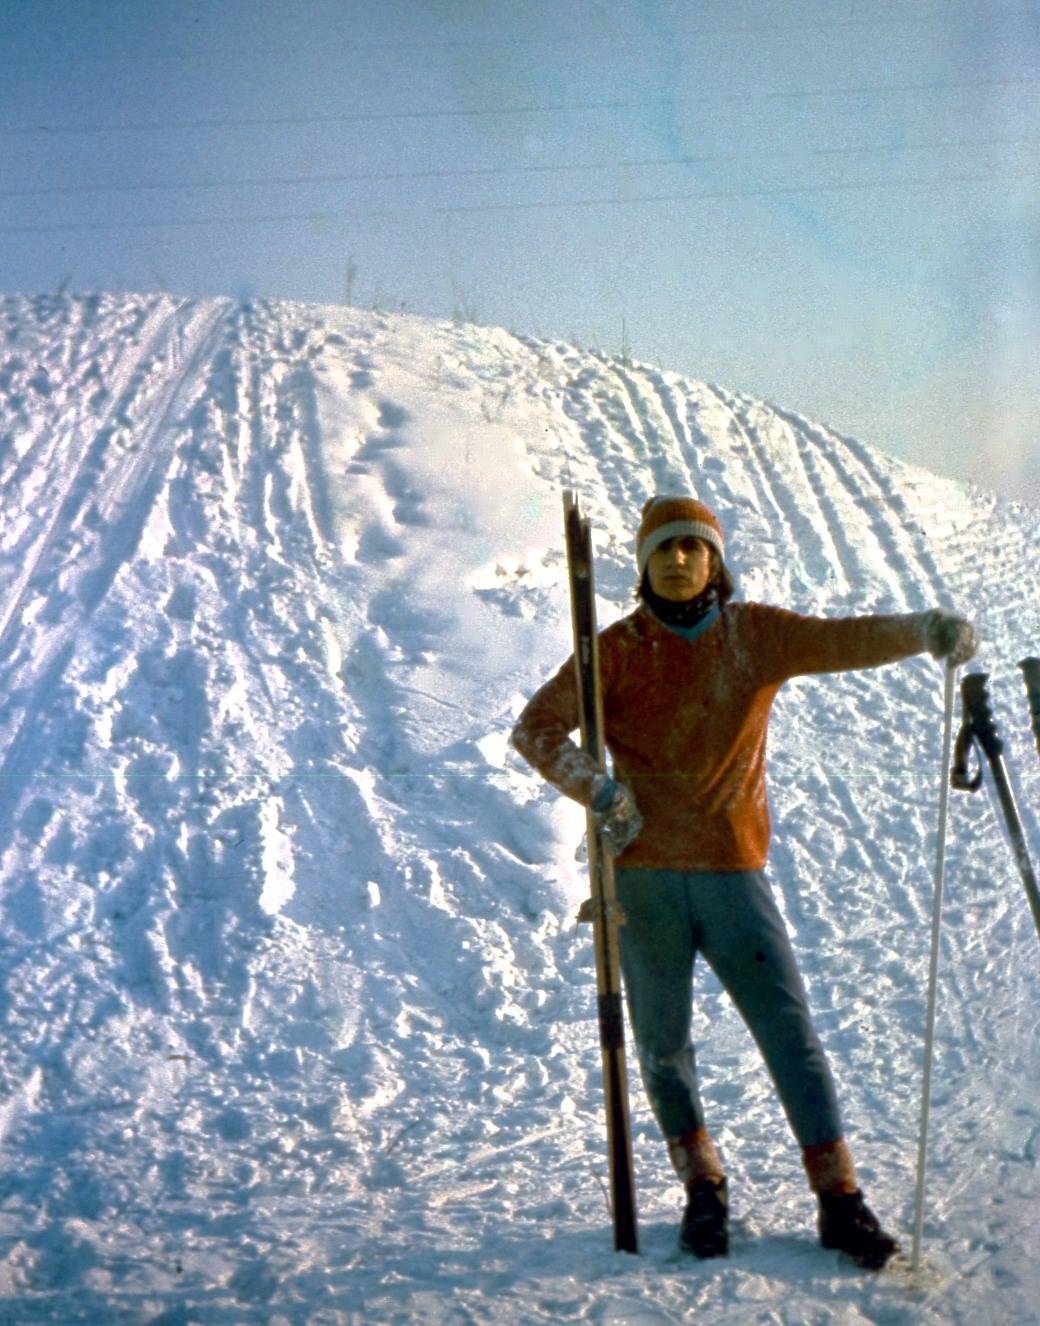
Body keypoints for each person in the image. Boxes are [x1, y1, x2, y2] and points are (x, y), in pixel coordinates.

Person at [510, 494, 977, 1270]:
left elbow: (840, 640)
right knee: (664, 1048)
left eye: (694, 549)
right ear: (644, 563)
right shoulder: (616, 650)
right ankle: (703, 1190)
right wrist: (601, 791)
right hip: (646, 880)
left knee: (790, 1035)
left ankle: (839, 1200)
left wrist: (923, 631)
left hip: (734, 874)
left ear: (715, 560)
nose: (680, 561)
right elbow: (535, 728)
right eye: (664, 550)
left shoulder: (753, 636)